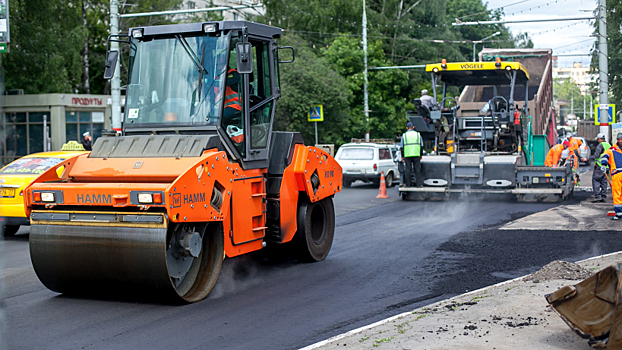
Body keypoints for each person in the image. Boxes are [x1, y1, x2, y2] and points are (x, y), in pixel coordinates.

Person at [600, 133, 622, 219]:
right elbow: (605, 156)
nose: (620, 141)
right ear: (617, 140)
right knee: (617, 194)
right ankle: (619, 214)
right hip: (616, 174)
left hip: (617, 174)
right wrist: (603, 165)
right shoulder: (612, 150)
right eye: (619, 139)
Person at [588, 133, 611, 202]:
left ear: (599, 139)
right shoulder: (609, 145)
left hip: (600, 166)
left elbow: (596, 156)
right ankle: (604, 196)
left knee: (596, 180)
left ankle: (598, 196)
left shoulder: (600, 146)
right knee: (604, 181)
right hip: (607, 166)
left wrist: (587, 159)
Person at [401, 122, 423, 187]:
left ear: (406, 128)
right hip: (416, 154)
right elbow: (421, 146)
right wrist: (421, 154)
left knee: (408, 170)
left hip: (407, 155)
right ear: (413, 127)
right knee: (417, 170)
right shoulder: (418, 135)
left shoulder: (404, 135)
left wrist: (402, 156)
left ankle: (408, 184)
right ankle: (418, 184)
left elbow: (402, 147)